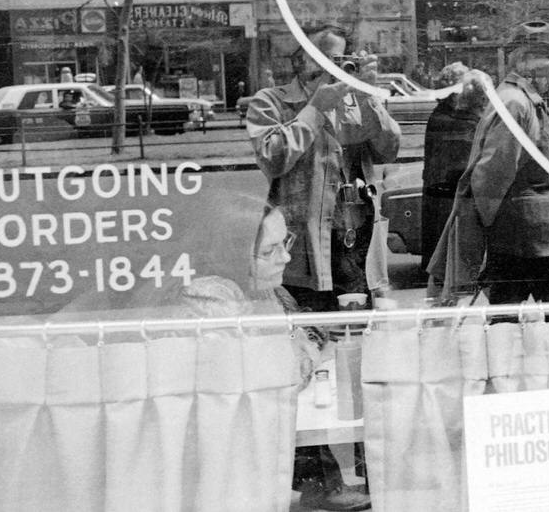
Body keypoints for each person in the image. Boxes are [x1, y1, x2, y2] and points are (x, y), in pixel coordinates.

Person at [173, 206, 371, 511]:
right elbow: (283, 373)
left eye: (286, 243)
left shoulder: (264, 289)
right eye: (270, 250)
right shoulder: (211, 296)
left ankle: (320, 485)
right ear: (235, 255)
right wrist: (302, 349)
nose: (287, 258)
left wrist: (300, 347)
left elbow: (300, 341)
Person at [246, 25, 401, 312]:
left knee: (356, 335)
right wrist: (315, 109)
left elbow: (387, 150)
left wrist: (368, 95)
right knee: (310, 335)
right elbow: (273, 157)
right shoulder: (271, 101)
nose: (331, 68)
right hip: (304, 250)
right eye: (321, 58)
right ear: (298, 61)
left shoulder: (354, 102)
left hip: (356, 240)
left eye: (339, 60)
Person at [427, 21, 549, 306]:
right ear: (525, 61)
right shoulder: (516, 102)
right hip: (527, 235)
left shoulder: (522, 100)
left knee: (515, 308)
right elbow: (492, 174)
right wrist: (484, 233)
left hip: (530, 232)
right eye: (548, 57)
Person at [419, 63, 489, 272]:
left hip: (442, 192)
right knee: (450, 254)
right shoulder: (453, 119)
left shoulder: (444, 115)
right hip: (448, 195)